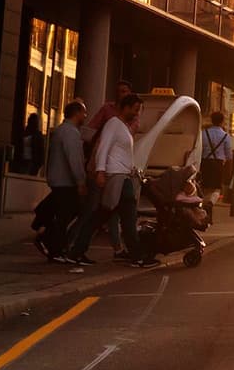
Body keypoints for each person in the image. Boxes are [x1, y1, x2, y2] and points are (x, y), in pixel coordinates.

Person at [63, 92, 154, 267]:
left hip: (122, 176)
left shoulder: (122, 127)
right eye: (135, 110)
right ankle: (136, 256)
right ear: (125, 107)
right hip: (116, 176)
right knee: (120, 215)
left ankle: (78, 251)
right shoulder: (113, 124)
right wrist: (101, 171)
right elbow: (103, 147)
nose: (137, 114)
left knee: (113, 215)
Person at [36, 101, 87, 261]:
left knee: (64, 214)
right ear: (77, 113)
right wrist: (80, 181)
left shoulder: (63, 130)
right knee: (67, 214)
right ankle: (53, 247)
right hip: (65, 181)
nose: (85, 116)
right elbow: (74, 158)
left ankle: (52, 242)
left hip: (60, 180)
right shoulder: (70, 132)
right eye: (84, 113)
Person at [200, 110, 233, 204]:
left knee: (204, 187)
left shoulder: (204, 133)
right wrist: (229, 171)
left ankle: (204, 206)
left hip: (205, 162)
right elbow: (229, 155)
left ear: (211, 120)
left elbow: (199, 148)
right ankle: (211, 202)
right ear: (222, 121)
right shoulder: (225, 136)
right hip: (218, 164)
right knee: (217, 188)